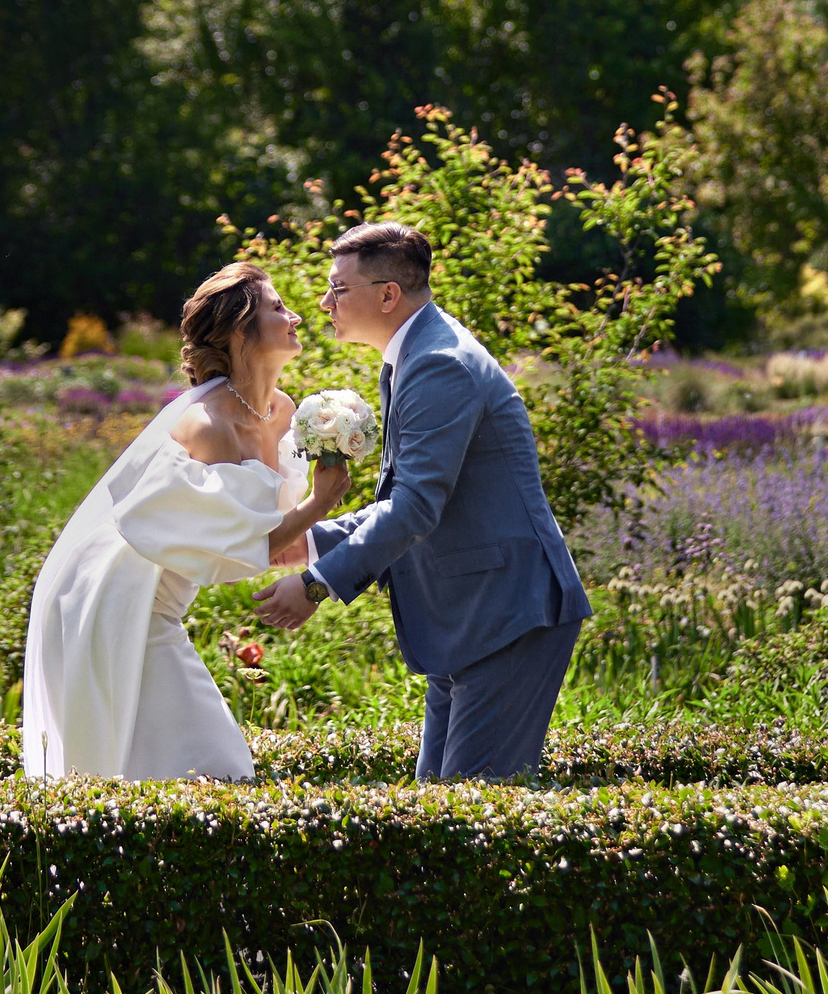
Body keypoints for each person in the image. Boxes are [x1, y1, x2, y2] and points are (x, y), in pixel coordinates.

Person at [253, 221, 593, 780]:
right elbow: (414, 499)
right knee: (436, 811)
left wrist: (317, 583)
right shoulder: (419, 356)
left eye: (338, 288)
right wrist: (309, 541)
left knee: (466, 820)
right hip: (472, 614)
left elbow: (414, 508)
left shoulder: (439, 363)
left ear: (388, 295)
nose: (323, 301)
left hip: (506, 614)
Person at [21, 263, 349, 778]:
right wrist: (319, 503)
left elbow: (260, 536)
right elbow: (242, 547)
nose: (298, 317)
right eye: (278, 307)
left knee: (161, 772)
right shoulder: (207, 424)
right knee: (217, 768)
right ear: (241, 329)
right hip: (117, 598)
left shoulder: (283, 412)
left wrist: (351, 558)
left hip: (158, 601)